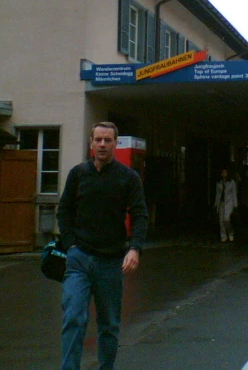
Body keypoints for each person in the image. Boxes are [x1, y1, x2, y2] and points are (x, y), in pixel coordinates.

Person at [57, 122, 148, 370]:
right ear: (91, 143)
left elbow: (140, 214)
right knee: (73, 318)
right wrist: (70, 244)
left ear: (115, 144)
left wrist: (134, 248)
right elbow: (64, 210)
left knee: (109, 325)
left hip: (110, 262)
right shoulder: (78, 174)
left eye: (108, 140)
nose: (102, 145)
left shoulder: (128, 177)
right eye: (98, 139)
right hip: (79, 259)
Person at [214, 168, 238, 242]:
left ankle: (230, 234)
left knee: (227, 219)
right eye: (222, 172)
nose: (224, 174)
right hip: (221, 203)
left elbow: (234, 194)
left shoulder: (231, 182)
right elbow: (217, 194)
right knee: (221, 220)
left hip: (229, 202)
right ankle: (223, 236)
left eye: (225, 172)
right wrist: (216, 204)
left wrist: (235, 205)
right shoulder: (219, 183)